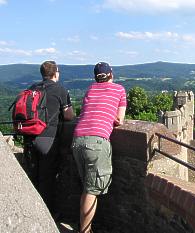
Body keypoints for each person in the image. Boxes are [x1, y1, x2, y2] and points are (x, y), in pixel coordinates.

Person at [72, 62, 127, 233]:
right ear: (112, 74)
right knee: (91, 191)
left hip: (77, 140)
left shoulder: (90, 89)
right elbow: (120, 120)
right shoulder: (119, 90)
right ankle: (85, 231)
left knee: (86, 188)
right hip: (96, 142)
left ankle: (84, 227)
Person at [24, 60, 75, 216]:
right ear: (55, 73)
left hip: (29, 137)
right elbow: (69, 116)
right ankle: (45, 216)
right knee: (47, 179)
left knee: (33, 176)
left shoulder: (33, 88)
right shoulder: (60, 89)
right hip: (48, 139)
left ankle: (29, 211)